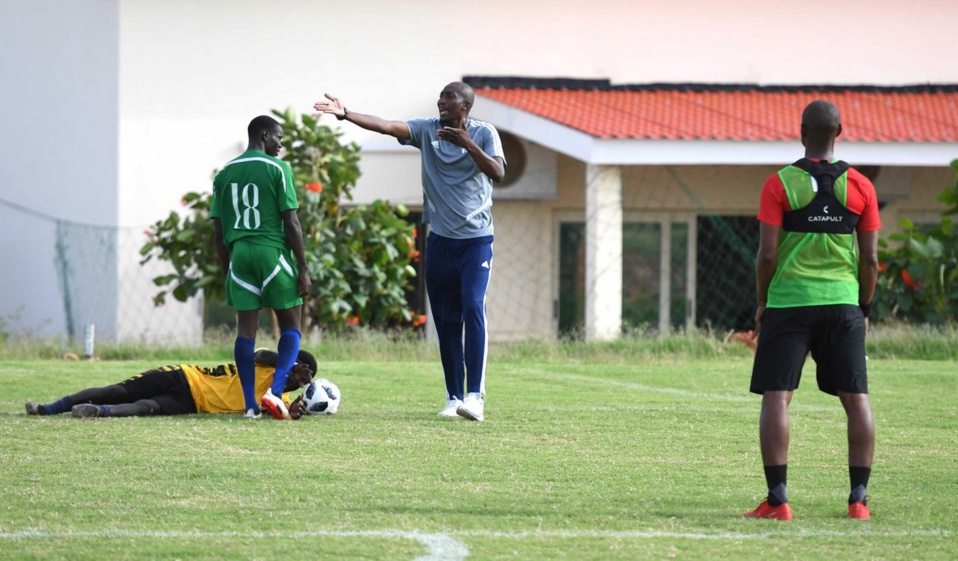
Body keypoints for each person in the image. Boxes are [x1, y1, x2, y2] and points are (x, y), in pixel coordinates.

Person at [313, 82, 505, 422]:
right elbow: (388, 126)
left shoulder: (484, 133)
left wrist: (468, 144)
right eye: (440, 97)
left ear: (465, 105)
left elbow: (498, 172)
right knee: (446, 320)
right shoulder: (426, 130)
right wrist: (346, 114)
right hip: (440, 241)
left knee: (473, 306)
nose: (441, 102)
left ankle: (475, 397)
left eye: (448, 97)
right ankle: (453, 397)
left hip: (476, 241)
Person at [745, 100, 881, 521]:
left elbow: (767, 255)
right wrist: (862, 306)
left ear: (802, 131)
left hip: (789, 303)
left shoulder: (779, 184)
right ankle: (858, 501)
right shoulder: (861, 186)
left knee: (777, 397)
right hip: (843, 304)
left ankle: (778, 500)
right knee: (856, 399)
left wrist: (763, 302)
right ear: (839, 131)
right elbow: (870, 260)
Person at [211, 116, 312, 420]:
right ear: (264, 134)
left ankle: (250, 406)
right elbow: (291, 222)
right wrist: (303, 267)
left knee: (246, 329)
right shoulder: (278, 168)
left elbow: (218, 231)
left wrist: (227, 270)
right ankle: (275, 392)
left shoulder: (224, 173)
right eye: (279, 137)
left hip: (239, 255)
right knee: (292, 322)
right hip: (271, 252)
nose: (280, 144)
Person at [25, 350, 316, 420]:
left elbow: (276, 411)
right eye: (300, 368)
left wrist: (293, 412)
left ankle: (96, 412)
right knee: (119, 391)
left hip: (193, 403)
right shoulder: (268, 363)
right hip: (185, 376)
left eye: (306, 376)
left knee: (147, 407)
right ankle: (48, 408)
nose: (300, 376)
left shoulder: (278, 399)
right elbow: (258, 354)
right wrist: (288, 364)